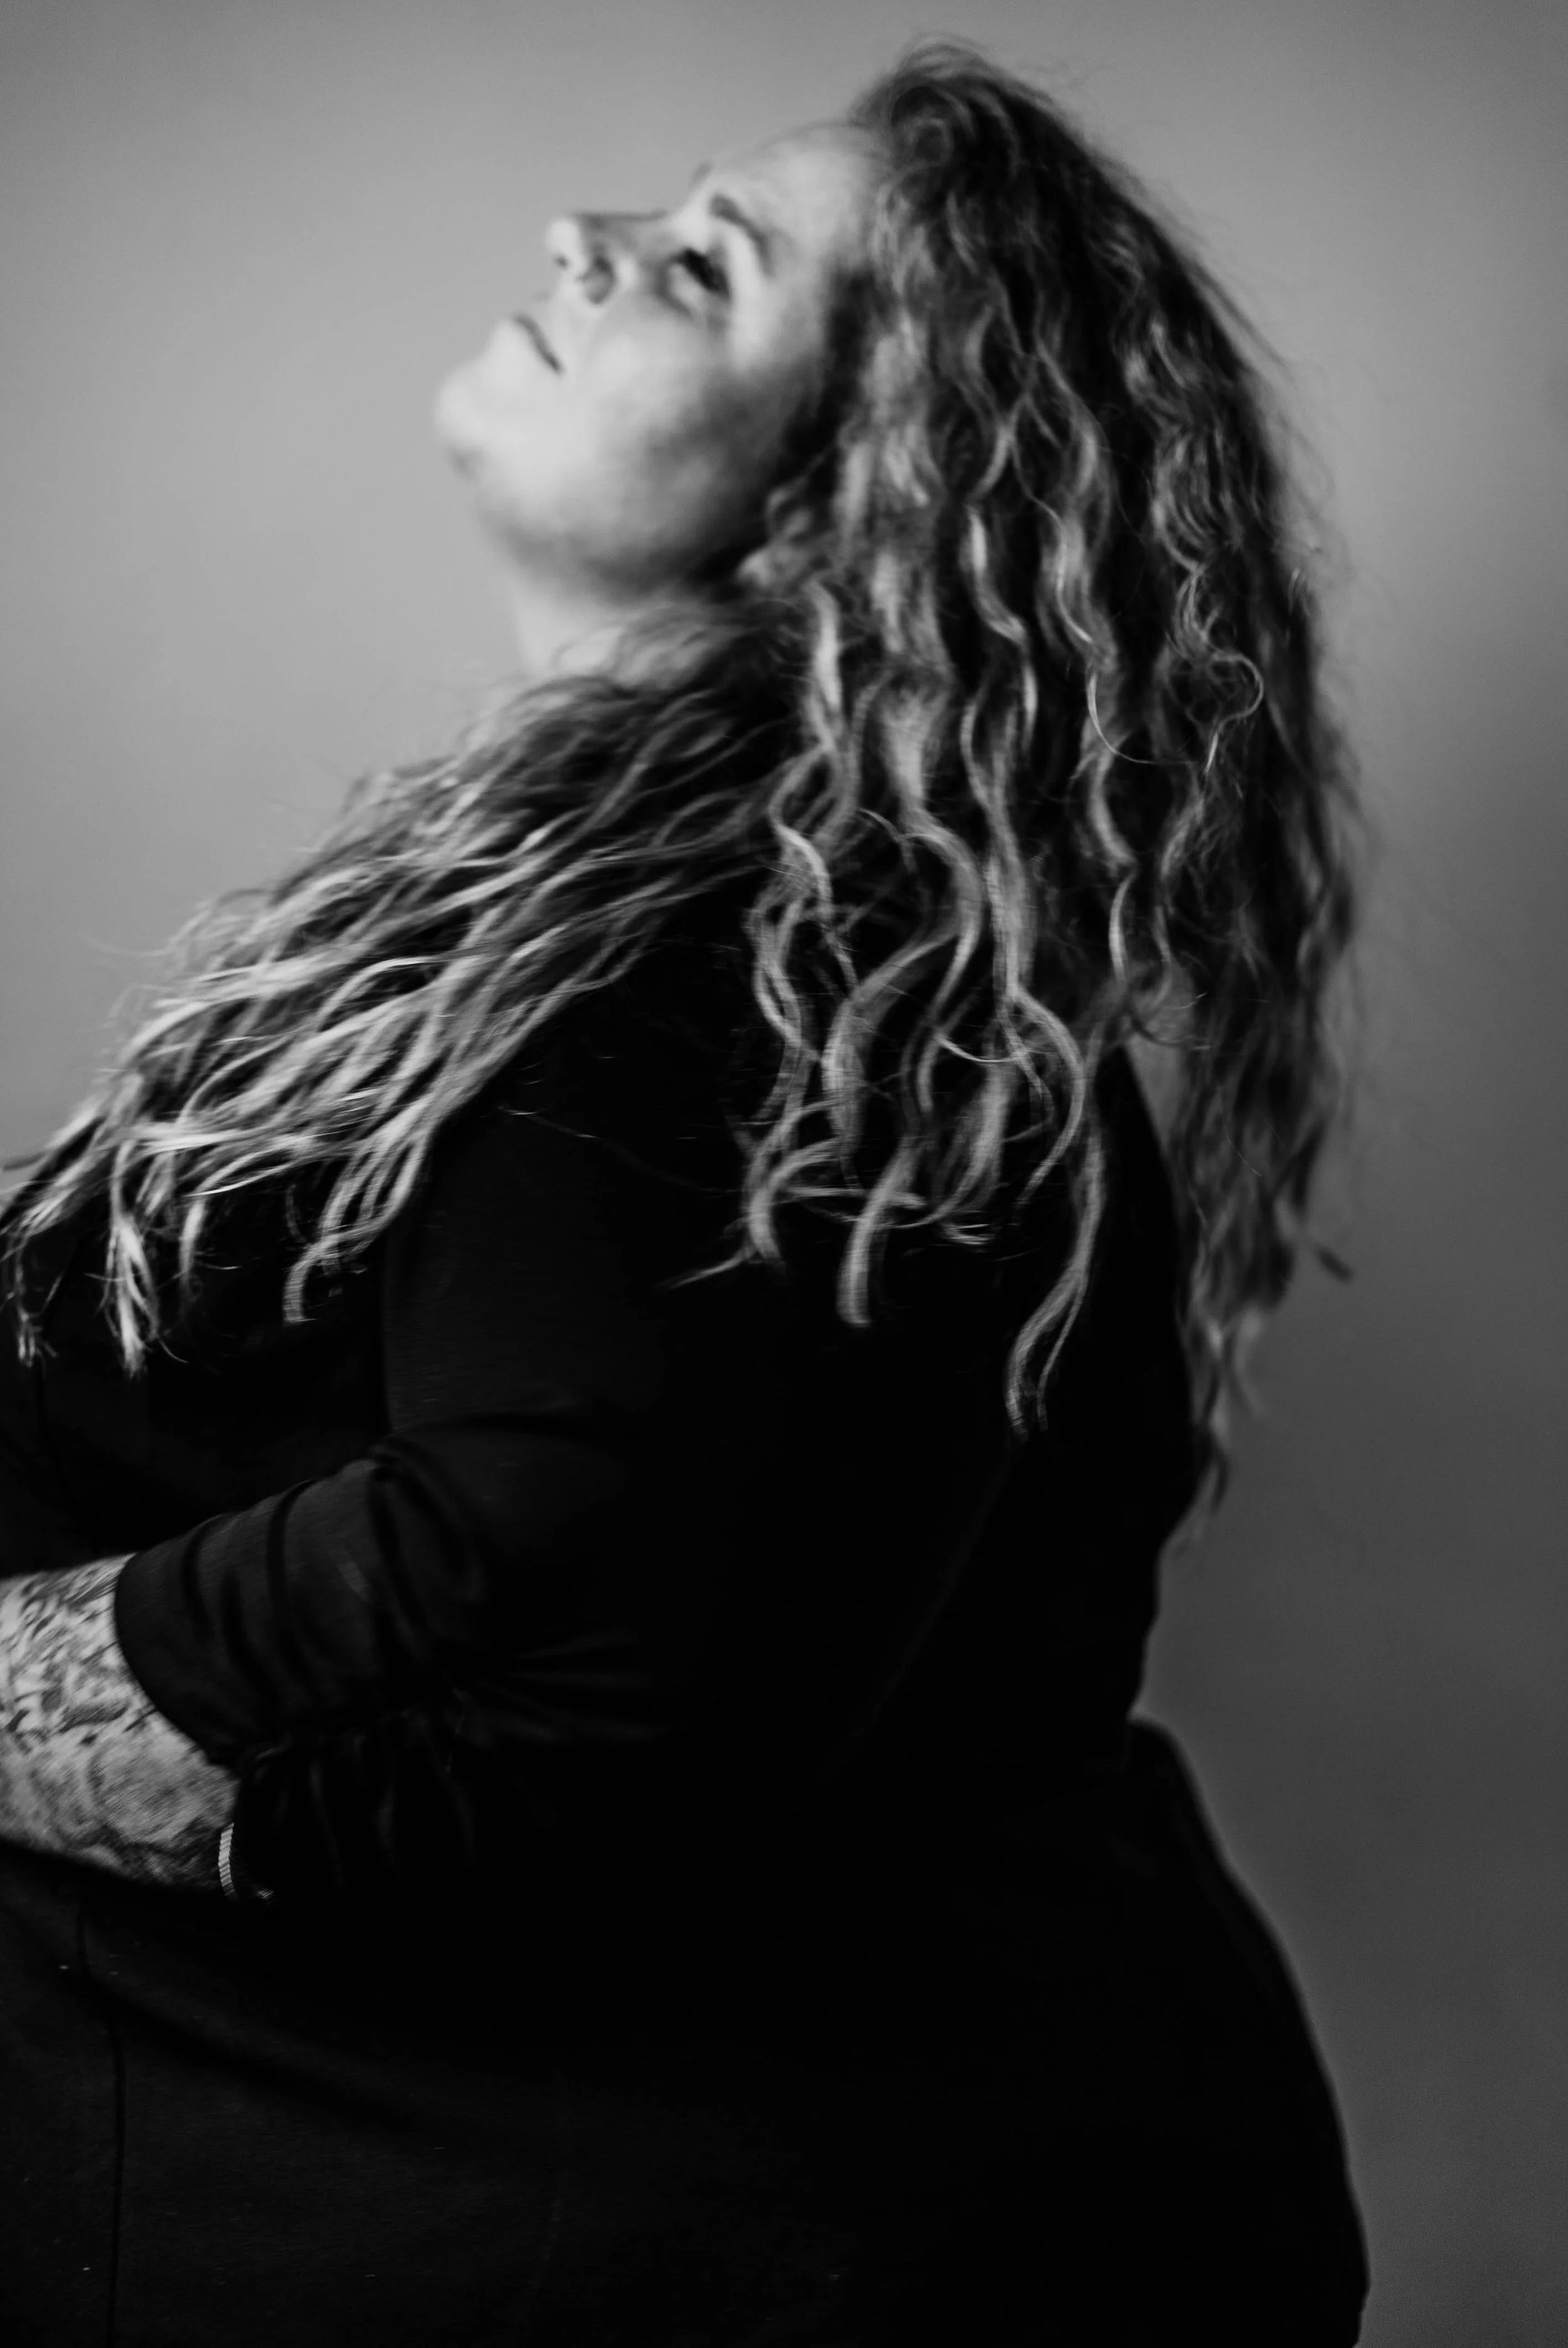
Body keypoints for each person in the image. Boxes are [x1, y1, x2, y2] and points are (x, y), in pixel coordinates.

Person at [0, 40, 1369, 2347]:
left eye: (708, 265)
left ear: (856, 508)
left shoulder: (770, 961)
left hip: (706, 2247)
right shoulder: (665, 910)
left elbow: (542, 1630)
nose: (586, 236)